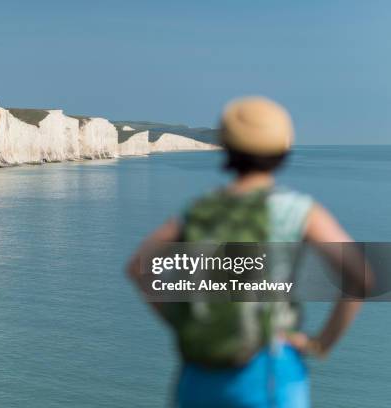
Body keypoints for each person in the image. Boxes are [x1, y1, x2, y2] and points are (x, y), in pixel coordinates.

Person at [127, 97, 366, 408]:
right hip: (268, 372)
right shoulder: (298, 210)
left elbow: (138, 268)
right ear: (283, 150)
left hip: (199, 376)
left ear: (227, 148)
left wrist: (183, 324)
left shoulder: (198, 210)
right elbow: (359, 277)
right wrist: (320, 343)